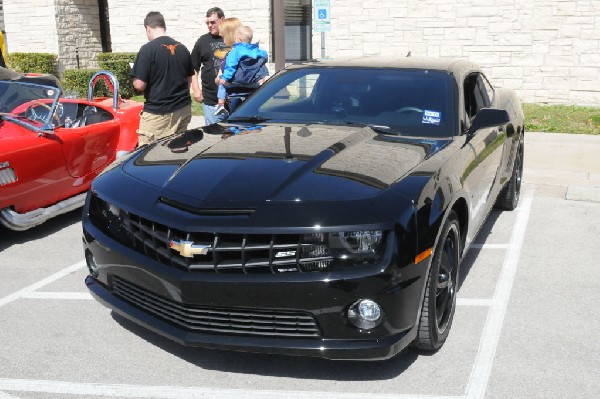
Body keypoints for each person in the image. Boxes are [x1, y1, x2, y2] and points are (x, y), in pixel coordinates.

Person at [130, 11, 194, 146]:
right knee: (177, 150)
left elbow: (139, 85)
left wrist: (133, 79)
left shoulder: (147, 49)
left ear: (148, 28)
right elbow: (189, 79)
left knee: (149, 156)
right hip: (183, 108)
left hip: (158, 114)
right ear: (163, 26)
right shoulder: (182, 48)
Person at [214, 25, 269, 116]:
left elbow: (231, 65)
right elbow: (264, 57)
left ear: (239, 39)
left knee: (222, 85)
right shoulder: (257, 51)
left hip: (235, 84)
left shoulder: (236, 51)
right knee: (250, 116)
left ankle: (220, 105)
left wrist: (225, 78)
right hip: (252, 84)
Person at [190, 7, 228, 125]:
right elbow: (193, 67)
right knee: (213, 137)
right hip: (211, 100)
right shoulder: (203, 41)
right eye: (208, 23)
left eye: (213, 22)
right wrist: (196, 90)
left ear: (222, 19)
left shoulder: (232, 38)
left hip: (234, 98)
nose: (210, 25)